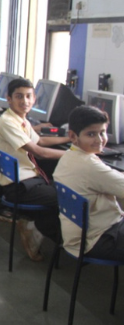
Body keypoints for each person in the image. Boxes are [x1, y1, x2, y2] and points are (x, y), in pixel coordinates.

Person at [0, 78, 68, 261]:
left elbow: (41, 141)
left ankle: (36, 227)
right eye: (19, 96)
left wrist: (71, 139)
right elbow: (39, 152)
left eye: (28, 96)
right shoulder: (7, 122)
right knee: (67, 197)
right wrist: (75, 155)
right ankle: (45, 232)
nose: (25, 101)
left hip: (28, 180)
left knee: (64, 189)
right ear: (9, 98)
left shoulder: (21, 120)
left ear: (34, 99)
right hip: (18, 187)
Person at [53, 106, 124, 261]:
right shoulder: (90, 166)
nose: (99, 140)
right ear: (73, 136)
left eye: (102, 132)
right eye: (91, 134)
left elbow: (108, 177)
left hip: (79, 234)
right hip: (97, 238)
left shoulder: (70, 156)